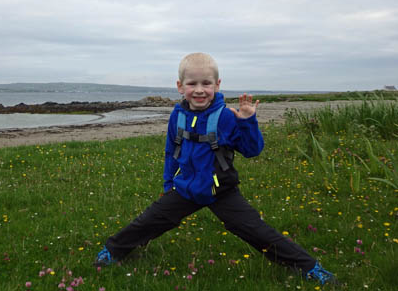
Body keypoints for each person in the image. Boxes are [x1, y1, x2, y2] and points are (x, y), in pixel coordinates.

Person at [95, 53, 337, 286]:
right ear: (180, 86)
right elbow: (171, 152)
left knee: (257, 231)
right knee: (148, 221)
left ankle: (308, 267)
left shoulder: (226, 117)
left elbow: (252, 150)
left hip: (221, 190)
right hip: (186, 188)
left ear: (217, 85)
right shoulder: (176, 116)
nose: (199, 90)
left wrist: (247, 121)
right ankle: (114, 250)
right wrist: (168, 185)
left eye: (206, 83)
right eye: (192, 83)